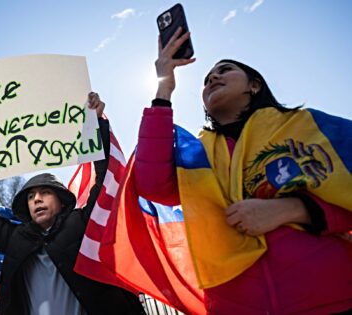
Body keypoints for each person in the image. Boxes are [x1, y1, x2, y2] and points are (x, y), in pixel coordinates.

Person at [134, 28, 352, 314]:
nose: (212, 78)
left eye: (225, 70)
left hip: (332, 299)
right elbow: (151, 185)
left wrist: (294, 209)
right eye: (206, 79)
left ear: (254, 85)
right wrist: (164, 89)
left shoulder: (306, 125)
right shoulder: (195, 154)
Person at [0, 92, 146, 315]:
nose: (37, 199)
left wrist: (96, 125)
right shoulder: (15, 238)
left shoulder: (82, 223)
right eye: (30, 197)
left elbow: (105, 177)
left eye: (45, 192)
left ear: (61, 201)